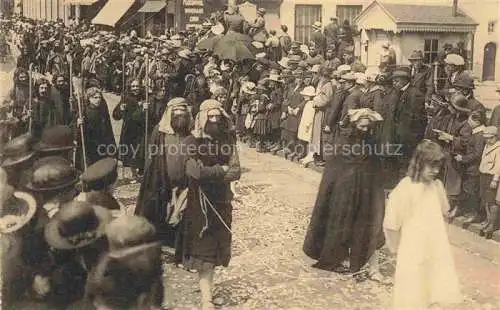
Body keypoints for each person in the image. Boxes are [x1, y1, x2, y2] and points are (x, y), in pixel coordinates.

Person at [303, 108, 387, 282]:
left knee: (366, 225)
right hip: (344, 192)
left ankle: (362, 261)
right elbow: (335, 169)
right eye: (362, 127)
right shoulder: (344, 142)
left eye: (367, 127)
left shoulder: (371, 142)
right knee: (341, 223)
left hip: (364, 191)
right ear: (355, 124)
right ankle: (335, 258)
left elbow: (375, 168)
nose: (365, 130)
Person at [175, 99, 241, 310]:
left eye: (218, 116)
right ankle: (206, 299)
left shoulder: (228, 139)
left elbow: (236, 170)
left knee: (216, 251)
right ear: (202, 117)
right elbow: (194, 172)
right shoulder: (191, 141)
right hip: (199, 204)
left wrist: (212, 173)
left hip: (221, 201)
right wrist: (220, 170)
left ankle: (208, 292)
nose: (214, 120)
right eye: (210, 116)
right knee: (204, 252)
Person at [384, 140, 462, 309]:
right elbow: (391, 222)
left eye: (438, 167)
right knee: (411, 292)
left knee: (433, 289)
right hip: (412, 247)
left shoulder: (437, 186)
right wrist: (395, 247)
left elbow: (443, 211)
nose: (435, 171)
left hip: (434, 247)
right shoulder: (406, 187)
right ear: (419, 163)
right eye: (431, 166)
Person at [135, 98, 193, 247]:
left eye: (183, 112)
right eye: (176, 112)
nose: (180, 115)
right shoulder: (160, 132)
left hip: (185, 180)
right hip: (161, 178)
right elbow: (151, 156)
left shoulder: (191, 132)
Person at [478, 126, 500, 239]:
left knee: (492, 202)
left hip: (491, 177)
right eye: (486, 138)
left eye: (490, 138)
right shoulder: (487, 146)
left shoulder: (498, 148)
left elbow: (498, 166)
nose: (487, 140)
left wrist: (495, 180)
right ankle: (488, 219)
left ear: (496, 137)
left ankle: (492, 223)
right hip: (484, 175)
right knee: (485, 199)